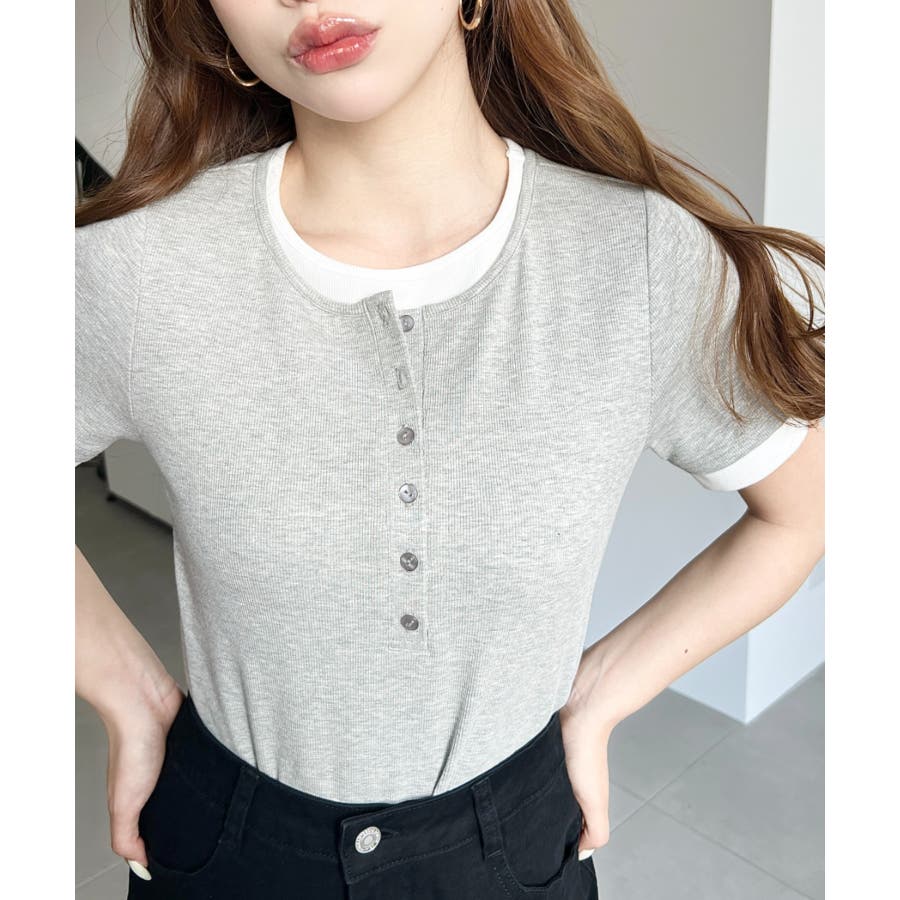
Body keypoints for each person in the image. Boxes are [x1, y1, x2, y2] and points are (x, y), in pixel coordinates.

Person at [74, 1, 825, 898]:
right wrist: (127, 695)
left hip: (513, 839)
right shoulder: (142, 267)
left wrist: (600, 698)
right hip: (228, 846)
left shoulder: (637, 258)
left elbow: (805, 511)